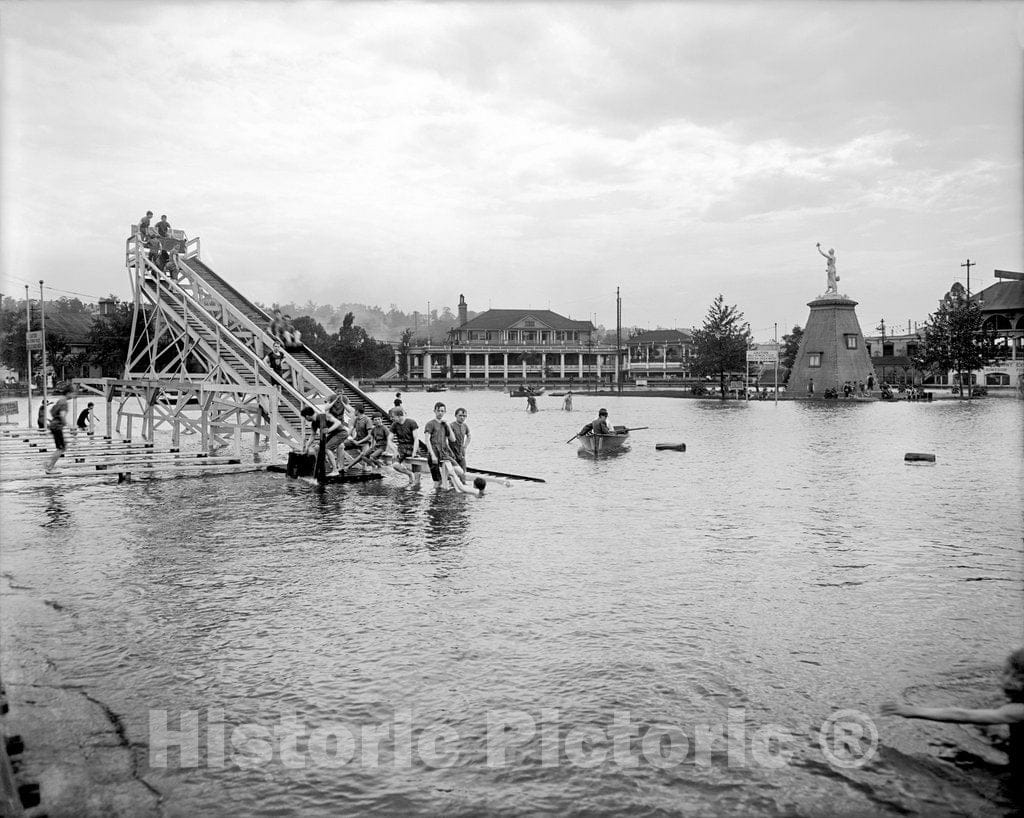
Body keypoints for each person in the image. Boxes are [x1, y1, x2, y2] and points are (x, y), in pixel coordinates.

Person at [880, 648, 1024, 810]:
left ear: (1018, 680)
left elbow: (962, 715)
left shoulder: (1017, 711)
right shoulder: (1014, 706)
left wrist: (911, 711)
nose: (1000, 677)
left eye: (1006, 673)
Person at [300, 404, 345, 475]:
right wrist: (307, 446)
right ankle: (322, 467)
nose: (306, 419)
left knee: (327, 448)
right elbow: (312, 436)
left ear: (307, 416)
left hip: (341, 433)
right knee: (317, 448)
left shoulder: (324, 416)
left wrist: (329, 430)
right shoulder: (314, 423)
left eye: (305, 418)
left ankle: (335, 471)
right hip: (332, 434)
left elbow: (338, 422)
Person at [423, 401, 457, 488]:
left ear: (445, 412)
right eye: (439, 411)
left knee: (459, 470)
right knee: (437, 482)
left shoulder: (444, 424)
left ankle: (449, 484)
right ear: (434, 411)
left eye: (442, 411)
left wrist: (447, 425)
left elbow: (453, 439)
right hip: (434, 453)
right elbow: (427, 440)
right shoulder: (430, 424)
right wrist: (432, 455)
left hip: (443, 453)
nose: (440, 413)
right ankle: (436, 499)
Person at [389, 407, 420, 486]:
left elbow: (416, 438)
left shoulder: (411, 422)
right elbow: (389, 440)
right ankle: (409, 474)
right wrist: (395, 451)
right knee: (395, 465)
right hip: (401, 448)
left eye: (393, 416)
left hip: (413, 446)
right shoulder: (394, 424)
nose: (392, 418)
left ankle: (415, 491)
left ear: (399, 416)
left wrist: (414, 452)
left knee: (417, 480)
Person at [44, 387, 71, 473]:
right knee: (61, 448)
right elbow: (62, 415)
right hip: (57, 426)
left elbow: (52, 412)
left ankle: (49, 463)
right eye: (73, 393)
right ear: (68, 393)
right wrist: (69, 426)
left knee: (63, 446)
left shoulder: (60, 400)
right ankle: (49, 466)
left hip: (54, 425)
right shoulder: (64, 402)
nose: (74, 395)